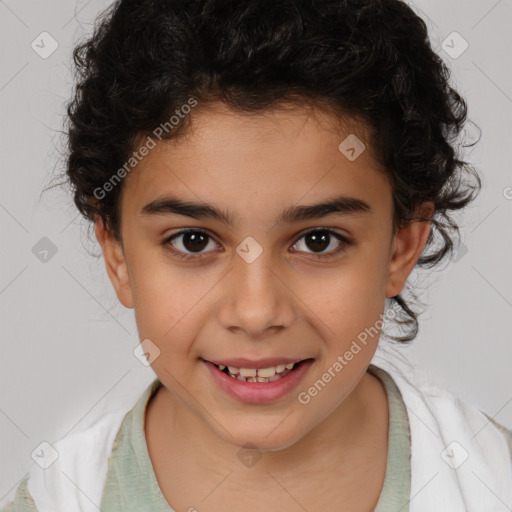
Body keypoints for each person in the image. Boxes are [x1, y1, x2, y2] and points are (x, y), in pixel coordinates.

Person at [2, 0, 511, 511]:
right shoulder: (59, 500)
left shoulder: (494, 481)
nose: (256, 312)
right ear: (116, 254)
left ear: (402, 246)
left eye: (318, 240)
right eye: (193, 241)